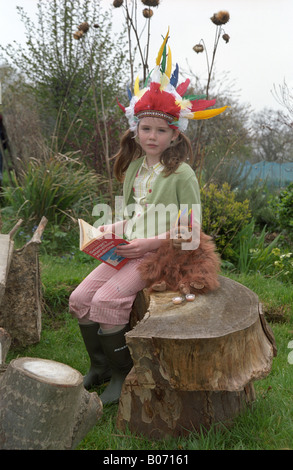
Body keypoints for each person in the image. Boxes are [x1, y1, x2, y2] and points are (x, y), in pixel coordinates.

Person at [69, 29, 227, 405]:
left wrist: (149, 243)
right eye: (146, 128)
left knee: (107, 299)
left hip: (162, 253)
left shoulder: (182, 174)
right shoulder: (138, 167)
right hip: (129, 247)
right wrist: (113, 229)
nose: (152, 136)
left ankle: (123, 376)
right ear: (135, 130)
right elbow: (136, 215)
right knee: (79, 297)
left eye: (161, 130)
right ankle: (101, 365)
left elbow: (190, 230)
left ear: (175, 135)